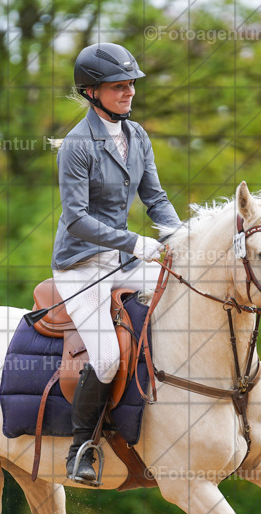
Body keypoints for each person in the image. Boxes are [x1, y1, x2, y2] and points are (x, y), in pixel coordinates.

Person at [52, 42, 182, 484]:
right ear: (91, 92)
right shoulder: (76, 145)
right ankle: (80, 449)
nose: (129, 92)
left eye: (131, 85)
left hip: (125, 259)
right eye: (118, 86)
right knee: (106, 358)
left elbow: (156, 198)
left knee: (187, 290)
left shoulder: (137, 135)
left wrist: (180, 238)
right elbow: (77, 219)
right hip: (82, 265)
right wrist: (136, 240)